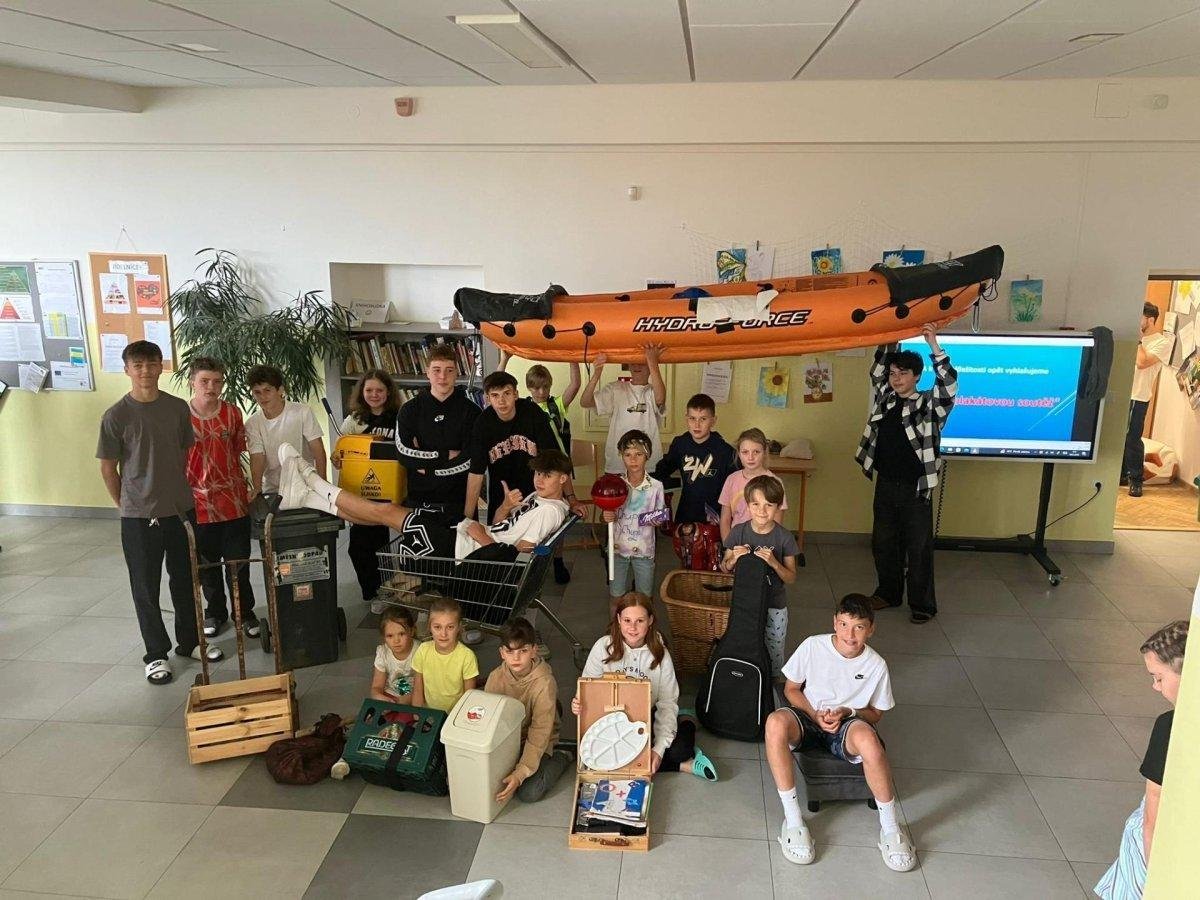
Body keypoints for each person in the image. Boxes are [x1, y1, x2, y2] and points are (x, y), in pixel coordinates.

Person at [97, 340, 224, 686]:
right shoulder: (116, 415)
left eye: (151, 364)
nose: (145, 371)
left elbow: (182, 453)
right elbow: (108, 468)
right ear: (127, 369)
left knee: (185, 579)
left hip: (180, 510)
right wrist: (126, 504)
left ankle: (190, 641)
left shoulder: (177, 408)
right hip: (138, 517)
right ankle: (155, 653)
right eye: (138, 365)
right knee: (145, 586)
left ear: (161, 366)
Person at [765, 594, 913, 872]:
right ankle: (793, 821)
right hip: (810, 715)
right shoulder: (813, 645)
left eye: (859, 627)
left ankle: (891, 830)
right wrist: (814, 715)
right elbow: (791, 689)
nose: (850, 634)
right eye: (844, 624)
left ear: (871, 629)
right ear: (835, 622)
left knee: (870, 741)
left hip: (847, 721)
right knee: (775, 723)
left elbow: (876, 714)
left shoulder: (876, 665)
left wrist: (848, 712)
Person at [277, 445, 573, 564]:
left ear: (563, 479)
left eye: (547, 475)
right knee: (387, 515)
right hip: (469, 534)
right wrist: (506, 506)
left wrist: (481, 537)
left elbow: (520, 555)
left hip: (466, 550)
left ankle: (312, 480)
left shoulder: (549, 511)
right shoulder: (539, 497)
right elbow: (501, 527)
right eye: (537, 473)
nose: (539, 479)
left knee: (389, 511)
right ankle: (305, 496)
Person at [855, 324, 955, 624]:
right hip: (886, 483)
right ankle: (888, 593)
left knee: (918, 547)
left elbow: (948, 385)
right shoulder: (885, 398)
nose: (895, 378)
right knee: (884, 542)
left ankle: (922, 604)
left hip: (916, 488)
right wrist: (891, 337)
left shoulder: (928, 404)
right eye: (893, 373)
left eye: (903, 373)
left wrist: (934, 345)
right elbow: (876, 371)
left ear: (917, 376)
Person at [573, 592, 718, 782]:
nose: (632, 627)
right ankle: (682, 766)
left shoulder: (660, 654)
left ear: (650, 621)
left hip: (647, 714)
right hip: (610, 718)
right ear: (618, 619)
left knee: (679, 751)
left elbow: (667, 702)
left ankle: (686, 720)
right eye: (627, 620)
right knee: (593, 755)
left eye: (639, 621)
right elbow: (587, 689)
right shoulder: (602, 647)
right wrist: (579, 704)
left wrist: (658, 749)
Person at [1096, 620, 1188, 899]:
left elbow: (1153, 812)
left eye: (1159, 677)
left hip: (1166, 849)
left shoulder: (1171, 728)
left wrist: (1155, 877)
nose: (1155, 687)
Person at [185, 356, 258, 640]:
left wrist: (252, 485)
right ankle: (215, 612)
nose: (211, 387)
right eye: (204, 381)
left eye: (217, 382)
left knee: (238, 563)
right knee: (208, 565)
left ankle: (245, 613)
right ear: (192, 382)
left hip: (234, 502)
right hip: (198, 504)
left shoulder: (232, 413)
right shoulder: (181, 416)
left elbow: (239, 450)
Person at [485, 617, 573, 803]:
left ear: (534, 650)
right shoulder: (495, 678)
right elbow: (489, 723)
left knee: (529, 792)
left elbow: (540, 731)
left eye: (523, 651)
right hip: (508, 738)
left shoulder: (545, 683)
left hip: (539, 736)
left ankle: (562, 756)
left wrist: (520, 773)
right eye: (510, 651)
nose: (516, 658)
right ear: (502, 653)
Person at [720, 475, 799, 676]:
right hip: (744, 604)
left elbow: (791, 577)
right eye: (755, 504)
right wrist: (733, 559)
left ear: (778, 507)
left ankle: (771, 683)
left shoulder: (785, 537)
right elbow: (724, 567)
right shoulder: (738, 531)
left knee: (774, 649)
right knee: (744, 643)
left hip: (775, 604)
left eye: (769, 505)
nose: (762, 511)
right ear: (748, 505)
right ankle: (748, 680)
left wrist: (774, 563)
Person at [330, 607, 420, 780]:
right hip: (389, 698)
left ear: (412, 630)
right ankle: (346, 757)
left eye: (401, 634)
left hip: (412, 700)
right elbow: (376, 688)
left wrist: (403, 702)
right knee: (368, 722)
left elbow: (422, 687)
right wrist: (382, 699)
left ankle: (384, 758)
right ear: (383, 637)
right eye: (390, 636)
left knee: (399, 726)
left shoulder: (420, 651)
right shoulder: (383, 652)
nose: (396, 640)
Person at [334, 369, 400, 602]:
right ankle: (374, 591)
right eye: (369, 390)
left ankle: (393, 586)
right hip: (364, 491)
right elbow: (340, 452)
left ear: (388, 392)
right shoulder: (354, 420)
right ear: (361, 392)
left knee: (390, 543)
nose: (374, 394)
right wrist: (337, 457)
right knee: (360, 546)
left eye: (379, 390)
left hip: (394, 491)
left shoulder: (401, 417)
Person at [395, 344, 480, 514]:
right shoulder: (409, 410)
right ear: (427, 372)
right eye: (436, 370)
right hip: (418, 501)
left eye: (449, 370)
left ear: (457, 373)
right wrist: (446, 455)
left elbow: (471, 459)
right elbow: (404, 453)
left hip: (459, 502)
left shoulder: (472, 412)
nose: (443, 376)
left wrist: (427, 468)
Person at [602, 430, 668, 611]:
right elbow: (606, 513)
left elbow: (661, 516)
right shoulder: (615, 485)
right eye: (628, 454)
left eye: (638, 454)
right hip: (617, 550)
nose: (633, 459)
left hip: (644, 551)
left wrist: (649, 518)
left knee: (645, 598)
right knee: (616, 597)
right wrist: (606, 516)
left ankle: (644, 627)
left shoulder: (656, 486)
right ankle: (615, 627)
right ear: (621, 456)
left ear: (647, 455)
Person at [580, 343, 667, 475]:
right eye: (633, 363)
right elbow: (585, 402)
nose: (637, 366)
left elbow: (660, 399)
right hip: (617, 465)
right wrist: (596, 374)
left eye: (642, 363)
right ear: (628, 365)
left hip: (648, 466)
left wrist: (652, 361)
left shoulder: (652, 391)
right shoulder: (616, 388)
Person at [653, 392, 736, 526]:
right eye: (692, 418)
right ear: (686, 418)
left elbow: (735, 487)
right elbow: (662, 470)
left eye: (703, 419)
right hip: (686, 514)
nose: (697, 425)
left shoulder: (725, 451)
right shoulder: (680, 444)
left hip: (715, 517)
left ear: (713, 421)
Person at [244, 364, 327, 497]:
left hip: (306, 485)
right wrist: (257, 488)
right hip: (273, 489)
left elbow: (318, 451)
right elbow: (257, 457)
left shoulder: (302, 412)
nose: (262, 396)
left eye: (267, 390)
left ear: (280, 390)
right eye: (257, 392)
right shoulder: (252, 423)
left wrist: (323, 486)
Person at [1123, 303, 1171, 498]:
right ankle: (1121, 474)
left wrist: (1138, 340)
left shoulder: (1162, 343)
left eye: (1140, 317)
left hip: (1138, 396)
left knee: (1131, 438)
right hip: (1121, 393)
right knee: (1116, 437)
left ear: (1150, 320)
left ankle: (1136, 479)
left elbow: (1142, 362)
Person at [411, 597, 479, 713]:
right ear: (430, 627)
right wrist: (417, 715)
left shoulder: (467, 657)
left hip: (455, 715)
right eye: (437, 627)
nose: (443, 634)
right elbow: (418, 690)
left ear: (459, 627)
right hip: (429, 713)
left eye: (450, 627)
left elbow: (468, 697)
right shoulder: (423, 650)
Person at [718, 428, 786, 543]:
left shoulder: (775, 482)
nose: (750, 457)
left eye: (756, 452)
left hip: (764, 544)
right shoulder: (731, 480)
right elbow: (725, 519)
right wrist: (728, 545)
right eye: (745, 452)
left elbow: (777, 523)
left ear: (764, 452)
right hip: (736, 543)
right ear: (739, 453)